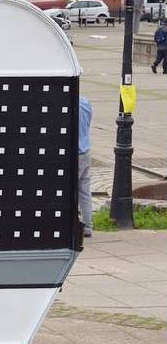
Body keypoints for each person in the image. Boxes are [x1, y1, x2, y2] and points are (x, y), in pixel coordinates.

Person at [78, 96, 93, 238]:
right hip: (85, 151)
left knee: (68, 193)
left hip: (73, 154)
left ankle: (70, 224)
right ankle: (87, 226)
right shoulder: (85, 102)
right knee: (84, 192)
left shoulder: (66, 105)